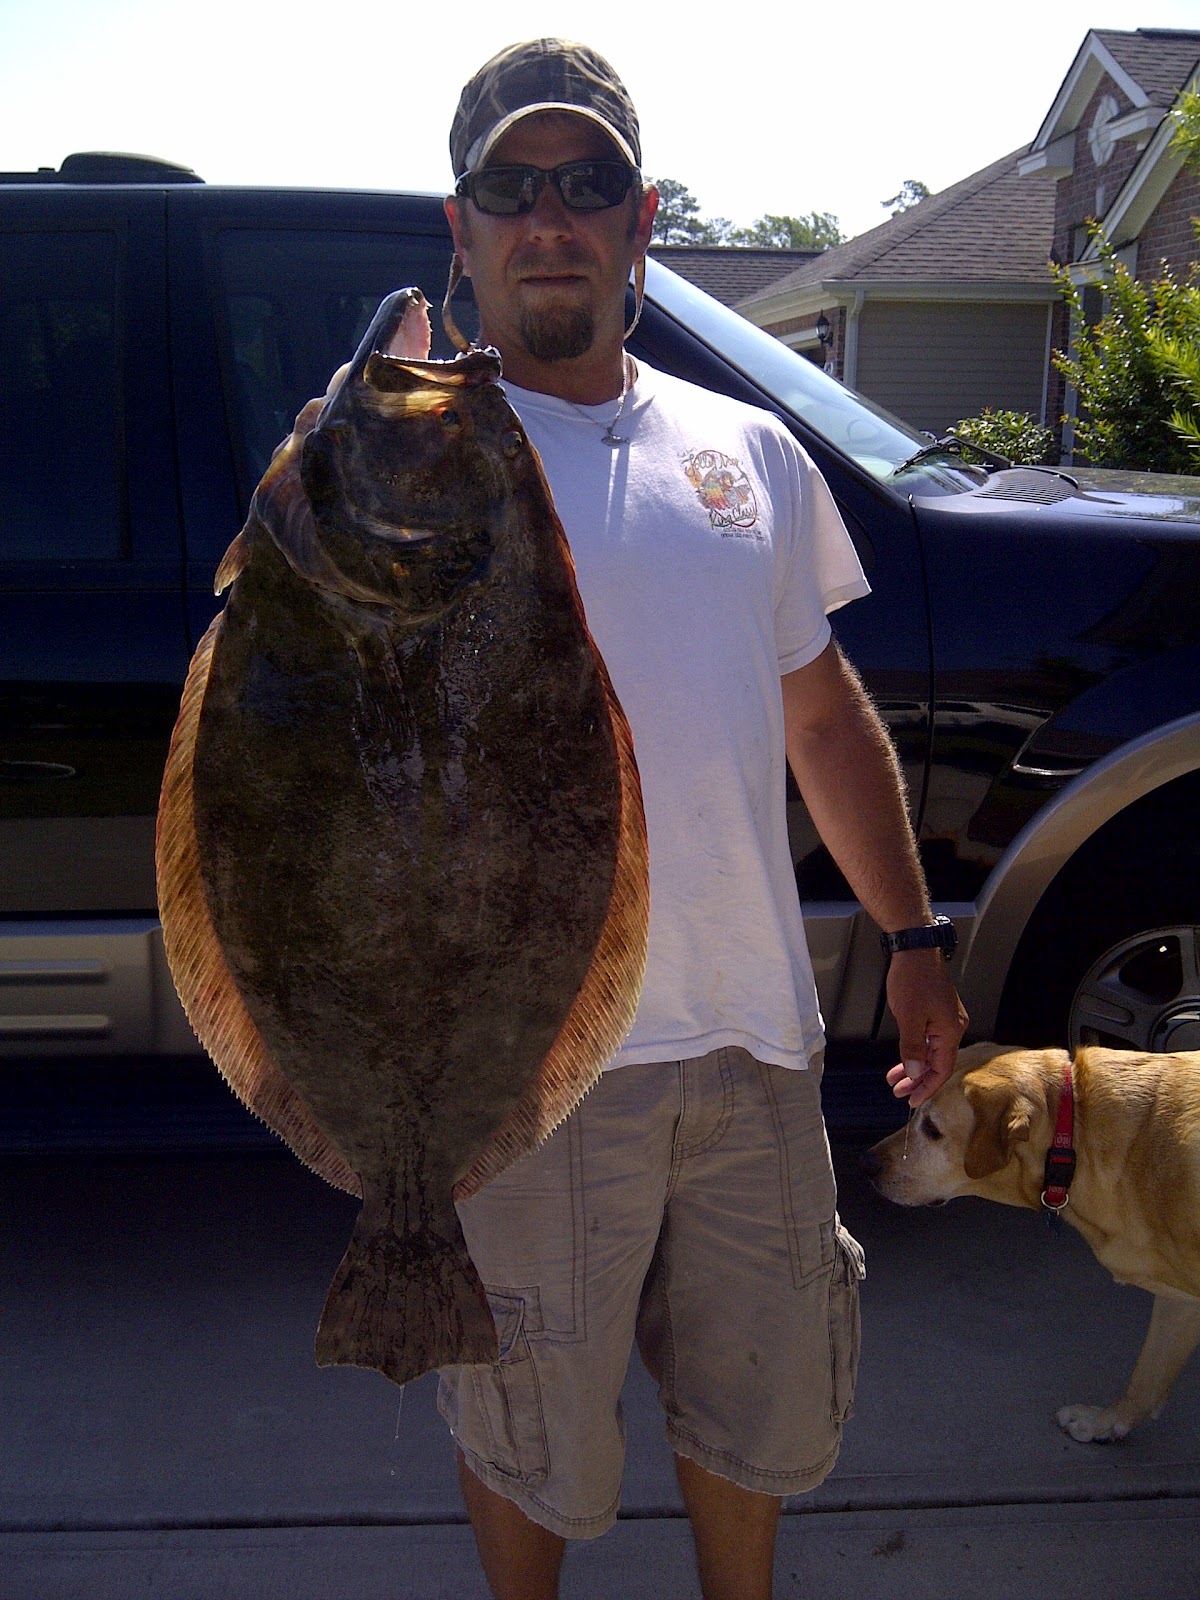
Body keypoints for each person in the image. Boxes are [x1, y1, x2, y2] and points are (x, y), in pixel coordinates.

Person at [436, 38, 968, 1600]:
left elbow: (819, 712)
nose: (551, 218)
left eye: (585, 184)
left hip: (753, 1045)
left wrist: (917, 937)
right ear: (457, 225)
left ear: (640, 215)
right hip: (528, 1068)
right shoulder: (401, 465)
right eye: (510, 188)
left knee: (758, 1414)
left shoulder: (749, 453)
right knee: (529, 1423)